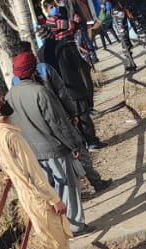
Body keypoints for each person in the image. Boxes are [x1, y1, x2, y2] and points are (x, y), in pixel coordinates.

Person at [0, 93, 73, 249]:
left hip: (27, 194)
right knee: (55, 244)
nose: (4, 106)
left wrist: (9, 173)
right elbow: (34, 173)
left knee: (54, 239)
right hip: (37, 196)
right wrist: (54, 199)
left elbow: (4, 161)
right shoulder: (11, 136)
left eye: (3, 102)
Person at [12, 44, 110, 194]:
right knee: (78, 150)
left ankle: (72, 192)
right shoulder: (45, 68)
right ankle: (96, 182)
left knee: (55, 163)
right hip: (61, 117)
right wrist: (73, 113)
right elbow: (63, 93)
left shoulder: (15, 81)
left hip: (38, 127)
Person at [8, 52, 85, 234]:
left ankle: (58, 228)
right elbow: (58, 123)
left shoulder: (10, 96)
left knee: (49, 192)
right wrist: (75, 144)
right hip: (54, 149)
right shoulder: (40, 92)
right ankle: (75, 227)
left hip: (32, 153)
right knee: (67, 188)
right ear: (33, 69)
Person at [38, 19, 103, 151]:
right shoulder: (63, 46)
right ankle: (92, 141)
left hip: (57, 90)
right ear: (52, 33)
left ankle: (82, 144)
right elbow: (79, 66)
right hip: (74, 85)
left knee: (71, 118)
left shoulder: (41, 53)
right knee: (83, 114)